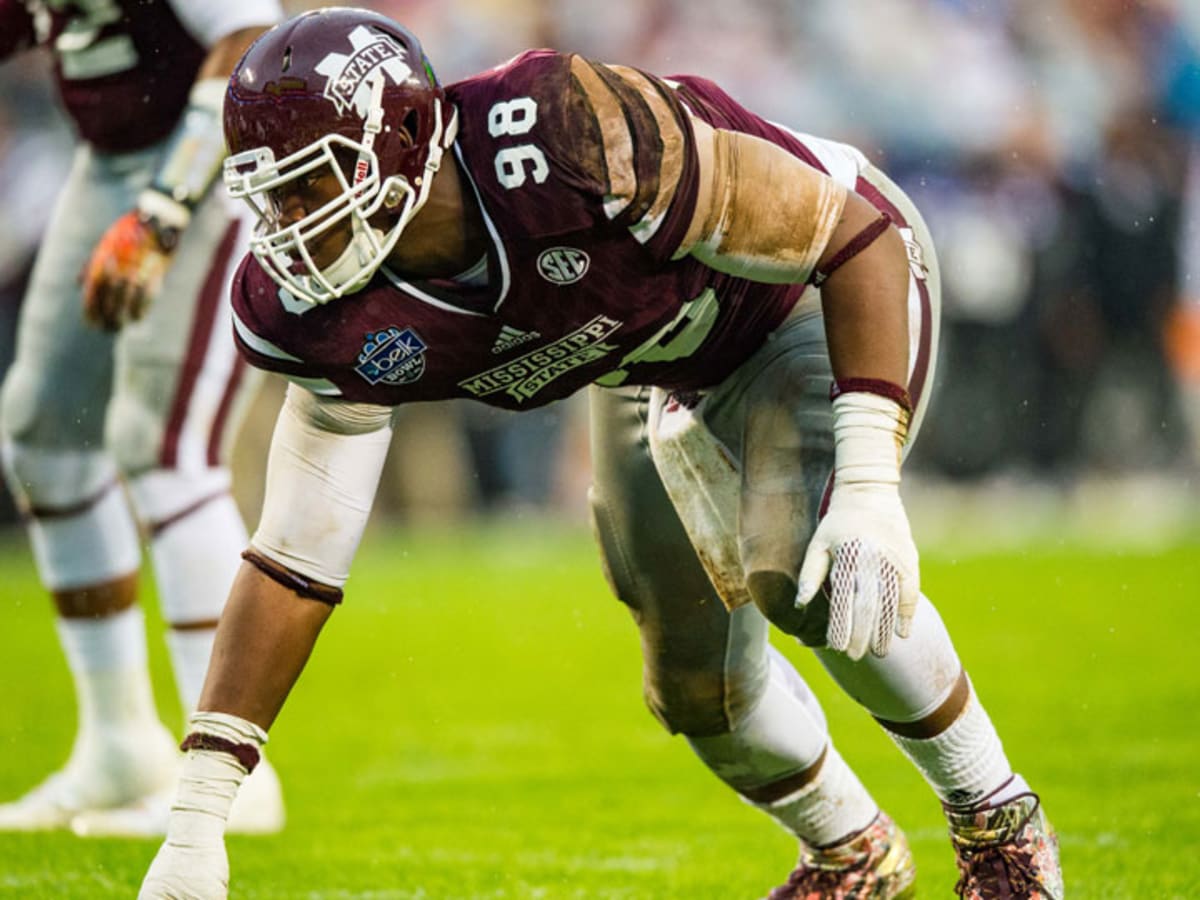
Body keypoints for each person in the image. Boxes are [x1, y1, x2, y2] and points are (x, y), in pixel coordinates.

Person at [139, 8, 1064, 898]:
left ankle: (997, 817)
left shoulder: (561, 136)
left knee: (803, 570)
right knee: (697, 689)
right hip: (649, 358)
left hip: (808, 289)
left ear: (407, 138)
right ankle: (850, 851)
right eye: (271, 192)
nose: (291, 223)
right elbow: (294, 562)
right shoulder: (310, 308)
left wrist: (867, 485)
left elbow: (847, 239)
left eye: (313, 181)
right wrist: (197, 820)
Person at [0, 0, 286, 835]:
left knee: (164, 447)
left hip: (223, 162)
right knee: (41, 437)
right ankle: (119, 739)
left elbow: (244, 43)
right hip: (109, 160)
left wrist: (167, 206)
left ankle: (231, 775)